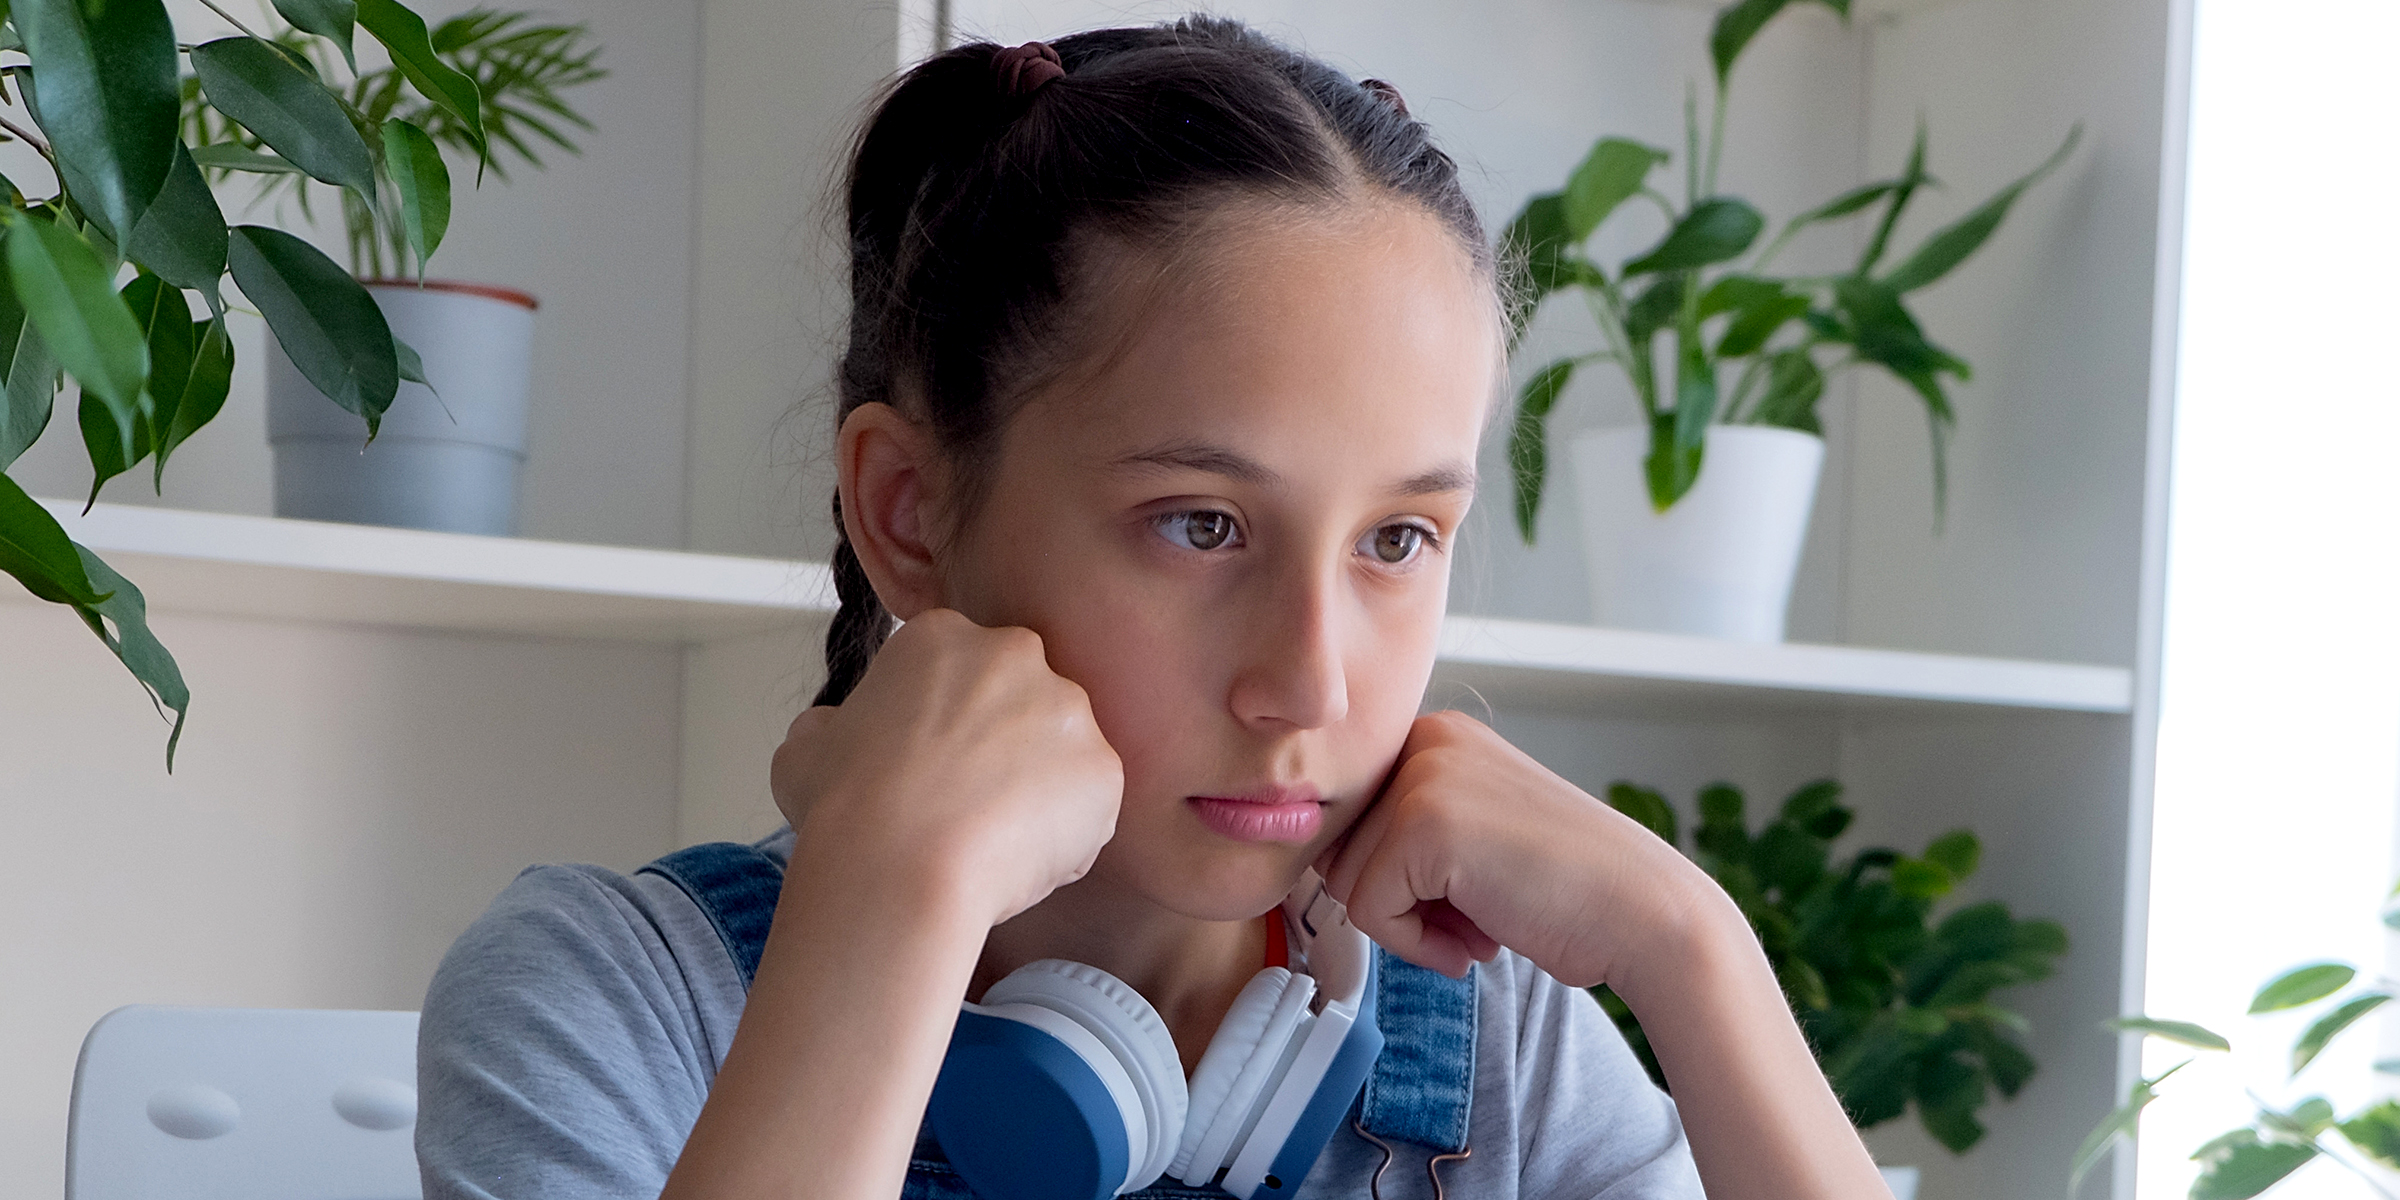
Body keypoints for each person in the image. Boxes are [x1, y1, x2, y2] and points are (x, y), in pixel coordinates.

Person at [415, 18, 1890, 1200]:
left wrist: (1695, 955)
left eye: (1398, 538)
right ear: (909, 514)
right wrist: (891, 900)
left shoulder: (1507, 1051)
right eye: (1203, 525)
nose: (1310, 685)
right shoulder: (612, 999)